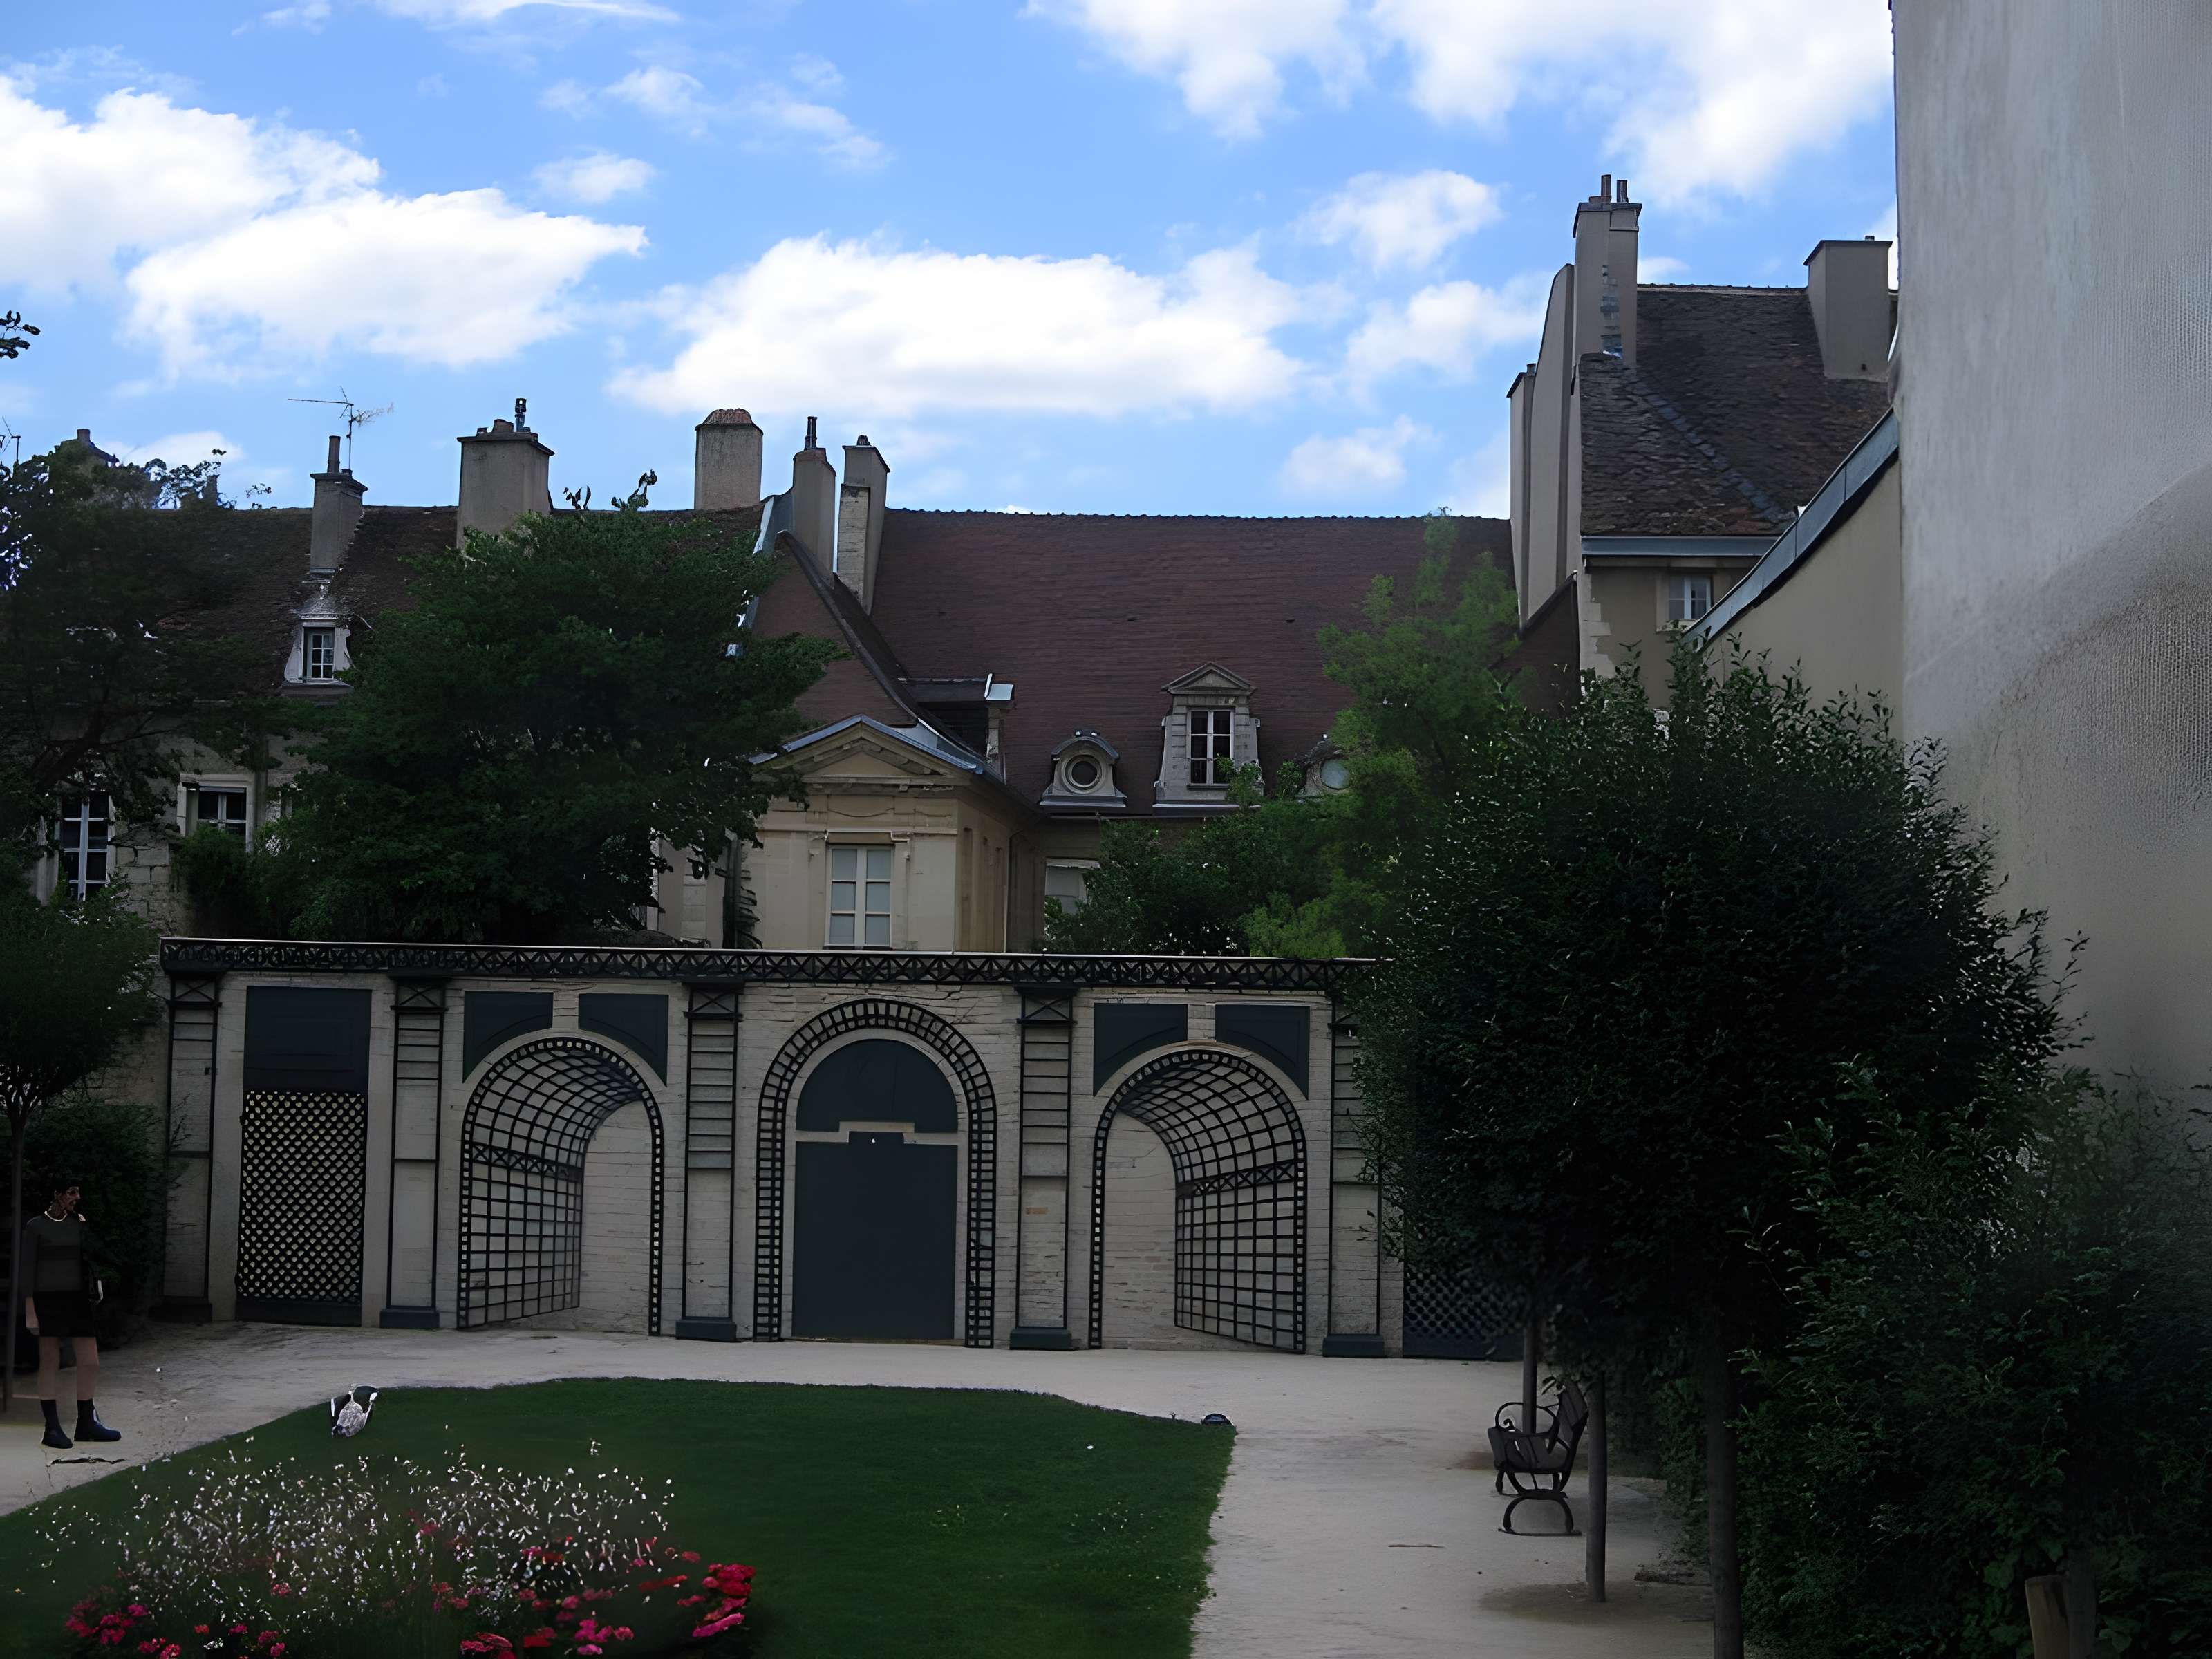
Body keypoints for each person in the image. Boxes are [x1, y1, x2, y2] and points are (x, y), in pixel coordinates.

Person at [20, 1181, 120, 1450]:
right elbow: (27, 1271)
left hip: (77, 1299)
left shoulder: (79, 1223)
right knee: (50, 1361)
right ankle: (51, 1427)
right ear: (57, 1195)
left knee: (90, 1362)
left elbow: (91, 1257)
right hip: (47, 1300)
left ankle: (86, 1423)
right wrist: (31, 1312)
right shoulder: (35, 1227)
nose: (77, 1197)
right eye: (71, 1193)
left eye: (78, 1192)